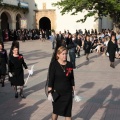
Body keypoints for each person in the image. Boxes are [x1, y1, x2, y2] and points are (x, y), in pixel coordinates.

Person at [48, 46, 75, 120]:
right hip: (57, 93)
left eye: (66, 54)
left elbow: (72, 78)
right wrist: (50, 92)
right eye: (63, 54)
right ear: (58, 55)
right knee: (56, 111)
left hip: (67, 93)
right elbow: (51, 79)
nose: (65, 56)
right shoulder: (54, 64)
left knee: (68, 112)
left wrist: (74, 90)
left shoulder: (69, 64)